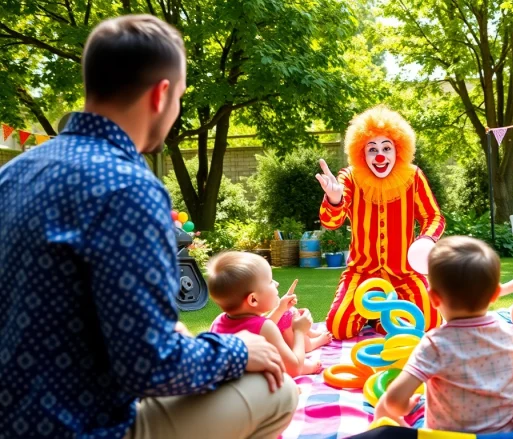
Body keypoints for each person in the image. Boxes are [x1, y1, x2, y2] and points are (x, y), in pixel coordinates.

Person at [0, 15, 297, 439]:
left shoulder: (14, 174)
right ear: (161, 95)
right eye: (178, 98)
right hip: (85, 426)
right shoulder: (128, 187)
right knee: (278, 390)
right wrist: (236, 349)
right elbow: (151, 366)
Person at [315, 106, 445, 340]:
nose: (380, 156)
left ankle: (378, 316)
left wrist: (426, 239)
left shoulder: (413, 176)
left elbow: (433, 216)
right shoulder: (350, 177)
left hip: (405, 272)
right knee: (339, 328)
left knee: (431, 320)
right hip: (361, 271)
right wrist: (335, 200)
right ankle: (376, 313)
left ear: (398, 150)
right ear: (361, 153)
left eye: (387, 148)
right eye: (372, 149)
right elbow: (330, 222)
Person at [374, 236, 513, 433]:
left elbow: (394, 400)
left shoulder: (434, 344)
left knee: (384, 405)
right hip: (500, 436)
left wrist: (405, 406)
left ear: (433, 298)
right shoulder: (507, 333)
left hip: (445, 435)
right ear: (495, 294)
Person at [208, 252, 332, 376]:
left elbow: (257, 331)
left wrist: (280, 309)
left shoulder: (218, 321)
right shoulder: (266, 327)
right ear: (253, 300)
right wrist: (299, 331)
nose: (277, 283)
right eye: (270, 281)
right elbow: (294, 368)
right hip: (256, 385)